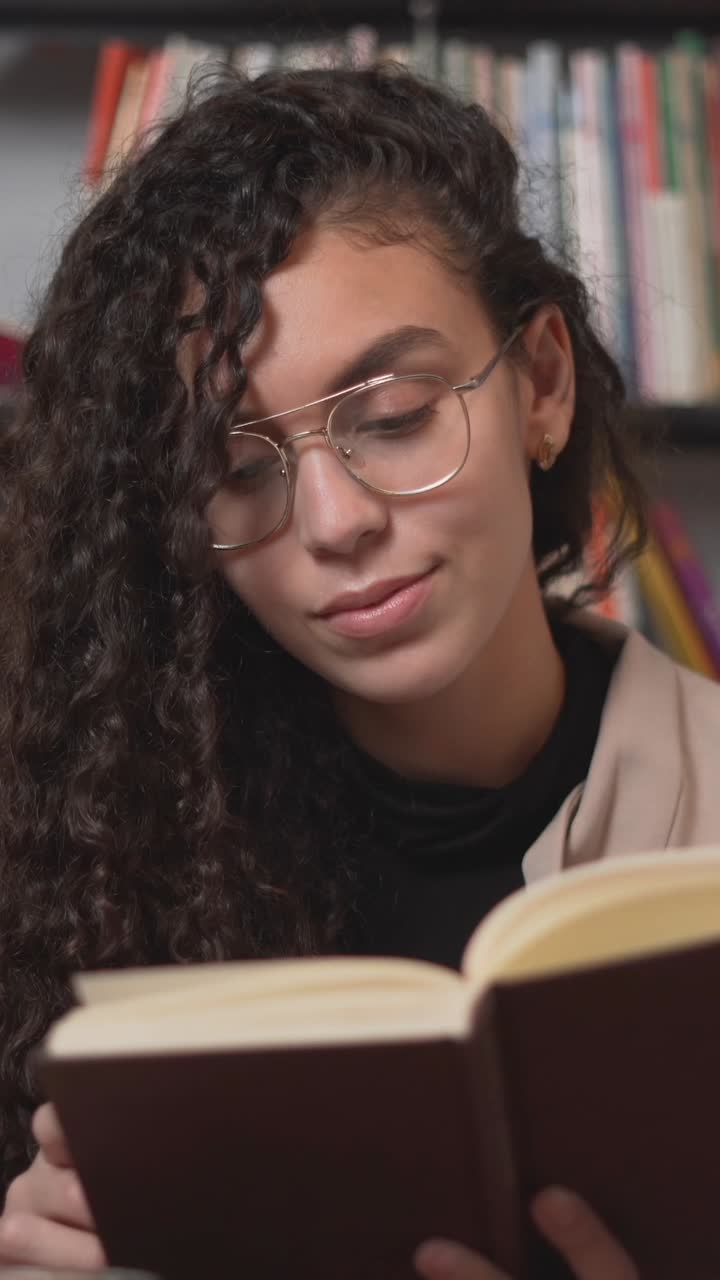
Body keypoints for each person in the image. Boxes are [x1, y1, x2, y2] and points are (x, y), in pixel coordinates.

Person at [0, 61, 717, 1279]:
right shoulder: (88, 844)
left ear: (541, 384)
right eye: (236, 467)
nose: (333, 521)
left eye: (391, 414)